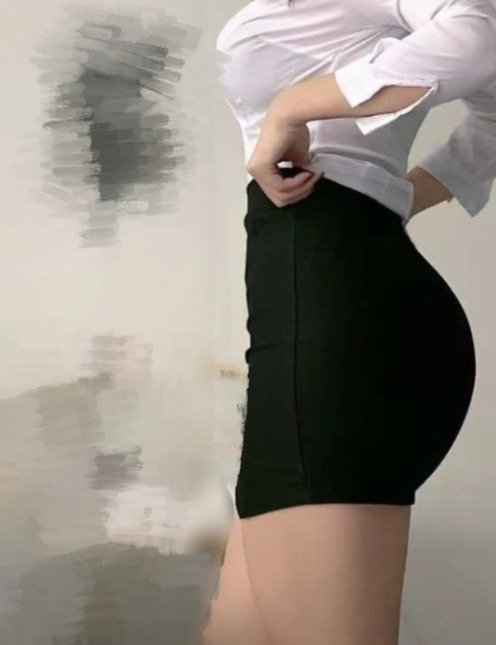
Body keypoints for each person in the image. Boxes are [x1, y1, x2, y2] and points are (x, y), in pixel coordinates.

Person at [203, 1, 496, 643]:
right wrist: (399, 191)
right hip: (317, 314)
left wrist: (294, 107)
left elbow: (479, 37)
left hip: (335, 319)